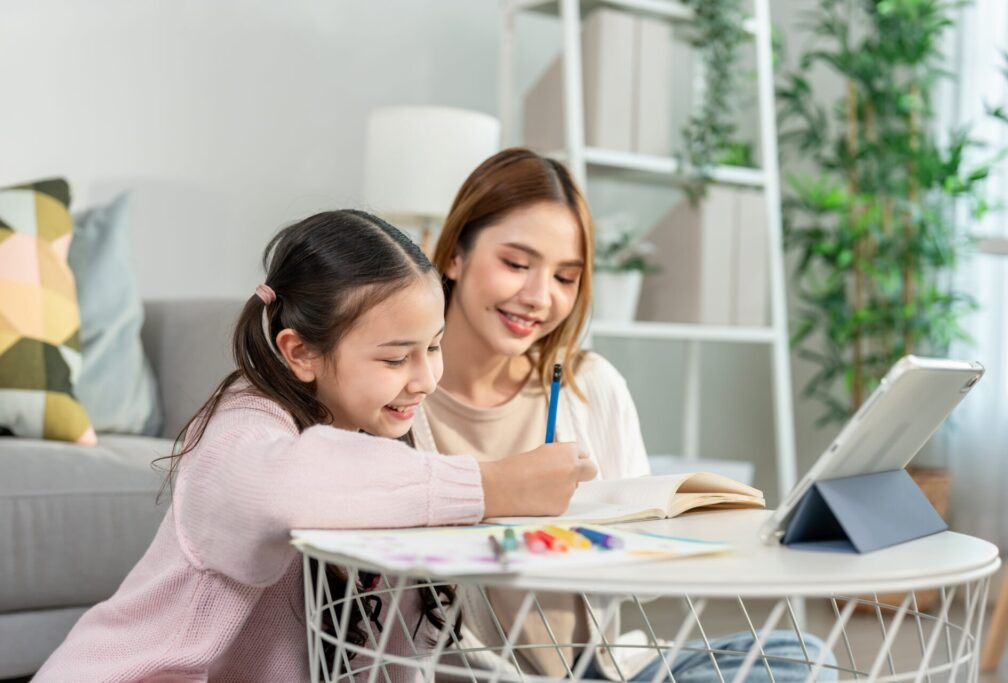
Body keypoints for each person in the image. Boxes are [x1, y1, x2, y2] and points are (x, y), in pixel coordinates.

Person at [34, 209, 595, 682]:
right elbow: (285, 483)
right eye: (397, 358)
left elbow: (396, 651)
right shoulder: (241, 433)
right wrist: (492, 484)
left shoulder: (380, 450)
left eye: (435, 346)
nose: (425, 378)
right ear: (299, 352)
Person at [413, 148, 836, 681]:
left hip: (599, 670)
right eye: (516, 264)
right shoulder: (400, 397)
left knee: (799, 656)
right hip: (479, 674)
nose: (539, 297)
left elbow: (642, 583)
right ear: (454, 256)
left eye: (566, 278)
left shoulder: (590, 384)